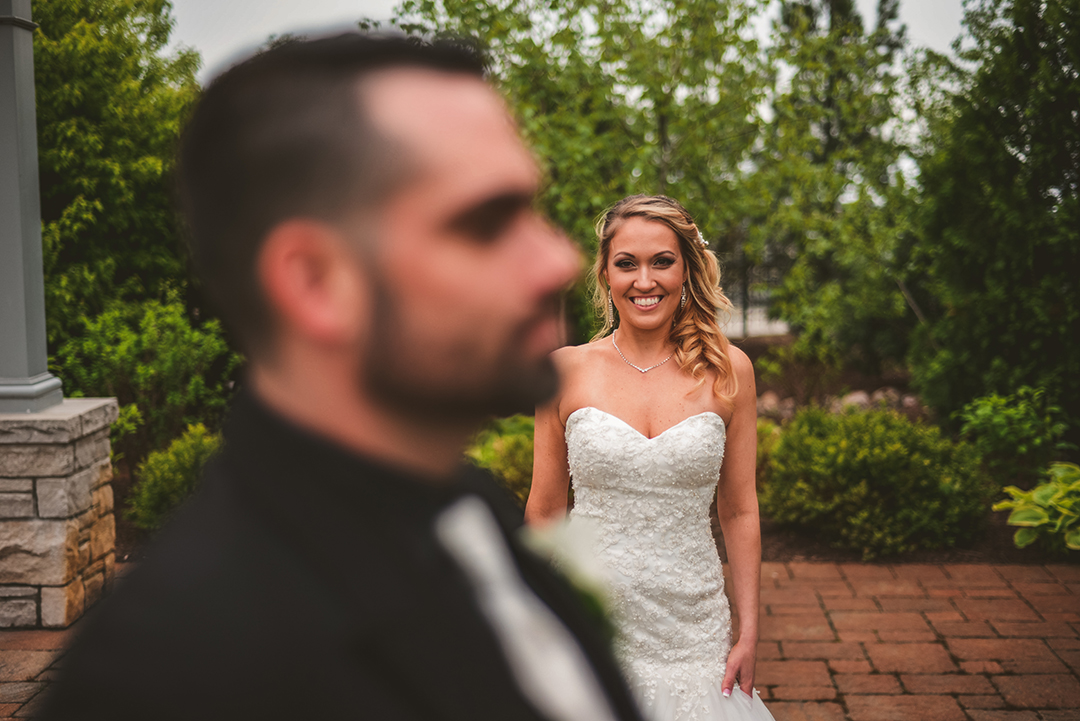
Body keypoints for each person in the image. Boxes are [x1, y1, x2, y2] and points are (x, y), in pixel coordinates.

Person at [41, 33, 647, 721]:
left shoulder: (474, 508)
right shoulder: (165, 673)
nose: (560, 261)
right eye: (485, 223)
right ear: (314, 282)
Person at [526, 195, 774, 721]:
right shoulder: (563, 372)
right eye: (627, 263)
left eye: (662, 261)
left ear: (686, 268)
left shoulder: (729, 371)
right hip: (590, 617)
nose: (645, 280)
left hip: (693, 625)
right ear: (606, 273)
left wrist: (748, 630)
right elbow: (545, 511)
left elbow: (739, 510)